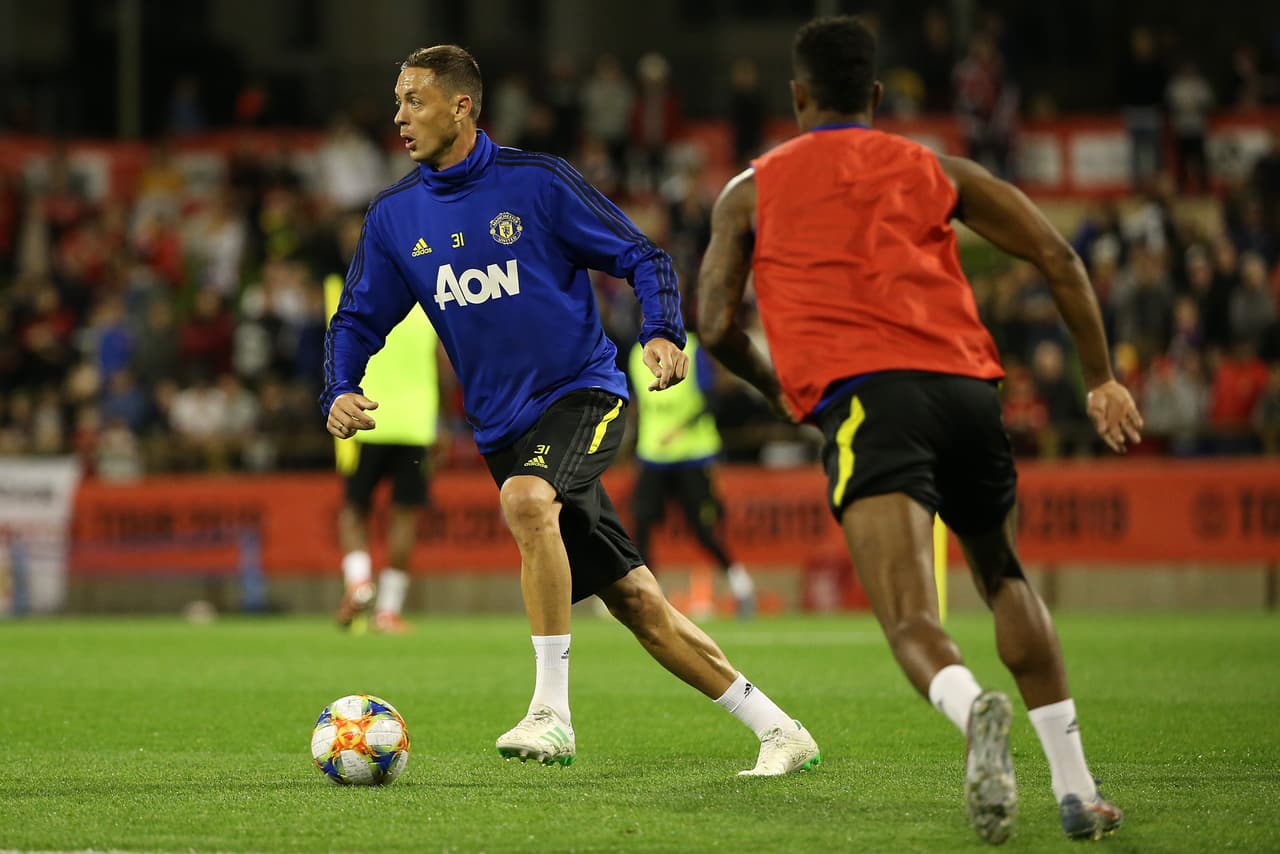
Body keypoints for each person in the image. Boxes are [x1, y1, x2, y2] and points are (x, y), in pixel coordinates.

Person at [697, 17, 1141, 843]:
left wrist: (778, 393)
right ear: (873, 98)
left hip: (870, 398)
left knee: (909, 617)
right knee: (1003, 573)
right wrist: (1101, 378)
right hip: (970, 389)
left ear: (796, 98)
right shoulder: (934, 166)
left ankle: (976, 716)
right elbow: (1059, 257)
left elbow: (713, 321)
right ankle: (1079, 790)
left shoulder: (751, 188)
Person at [322, 44, 819, 775]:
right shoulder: (398, 217)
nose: (398, 118)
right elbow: (357, 319)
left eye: (413, 101)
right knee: (637, 603)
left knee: (527, 502)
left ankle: (551, 713)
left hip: (583, 394)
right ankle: (780, 729)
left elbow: (642, 257)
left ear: (463, 106)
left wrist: (658, 331)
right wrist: (338, 386)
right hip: (502, 427)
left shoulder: (539, 184)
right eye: (397, 102)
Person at [323, 212, 442, 633]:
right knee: (404, 517)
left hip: (365, 417)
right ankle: (388, 612)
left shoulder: (356, 297)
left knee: (354, 510)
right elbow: (444, 363)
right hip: (416, 425)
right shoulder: (427, 297)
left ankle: (358, 584)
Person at [626, 315, 755, 617]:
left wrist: (682, 429)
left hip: (693, 454)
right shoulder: (635, 355)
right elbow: (639, 404)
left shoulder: (692, 349)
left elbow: (712, 399)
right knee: (641, 525)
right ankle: (648, 595)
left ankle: (741, 586)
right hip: (653, 455)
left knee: (704, 529)